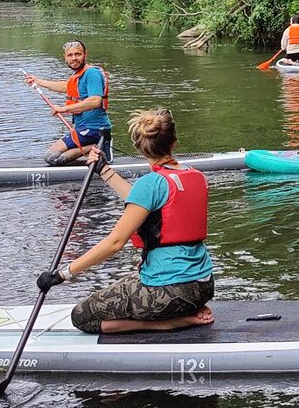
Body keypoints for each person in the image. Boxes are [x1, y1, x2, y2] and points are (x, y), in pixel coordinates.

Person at [39, 108, 214, 335]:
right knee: (131, 277)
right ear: (174, 142)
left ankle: (168, 322)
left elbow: (115, 242)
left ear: (140, 148)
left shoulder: (150, 183)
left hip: (169, 292)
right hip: (203, 286)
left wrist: (62, 274)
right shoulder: (195, 176)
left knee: (83, 316)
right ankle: (186, 309)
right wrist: (103, 169)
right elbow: (143, 202)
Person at [25, 40, 113, 165]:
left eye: (78, 54)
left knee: (51, 157)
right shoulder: (79, 75)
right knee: (54, 156)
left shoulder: (92, 73)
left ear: (85, 54)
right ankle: (93, 149)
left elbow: (95, 101)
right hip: (83, 128)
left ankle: (99, 146)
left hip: (94, 129)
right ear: (65, 57)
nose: (74, 58)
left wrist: (63, 109)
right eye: (70, 55)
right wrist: (38, 81)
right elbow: (66, 86)